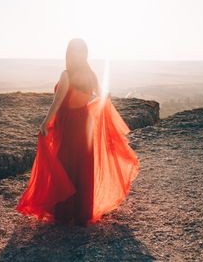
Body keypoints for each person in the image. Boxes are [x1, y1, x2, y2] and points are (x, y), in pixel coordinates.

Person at [15, 38, 140, 227]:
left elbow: (56, 104)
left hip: (69, 126)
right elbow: (104, 96)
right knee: (83, 166)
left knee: (67, 166)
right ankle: (82, 213)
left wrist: (44, 123)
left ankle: (65, 214)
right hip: (85, 123)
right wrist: (89, 107)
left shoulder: (66, 75)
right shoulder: (91, 75)